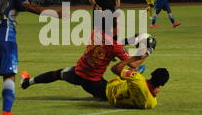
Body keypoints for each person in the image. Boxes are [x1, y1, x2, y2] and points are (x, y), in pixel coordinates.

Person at [20, 31, 153, 100]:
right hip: (93, 82)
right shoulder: (115, 47)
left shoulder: (96, 33)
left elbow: (111, 45)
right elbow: (134, 64)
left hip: (77, 73)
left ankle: (27, 82)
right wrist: (148, 51)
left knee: (57, 74)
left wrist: (131, 39)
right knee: (113, 96)